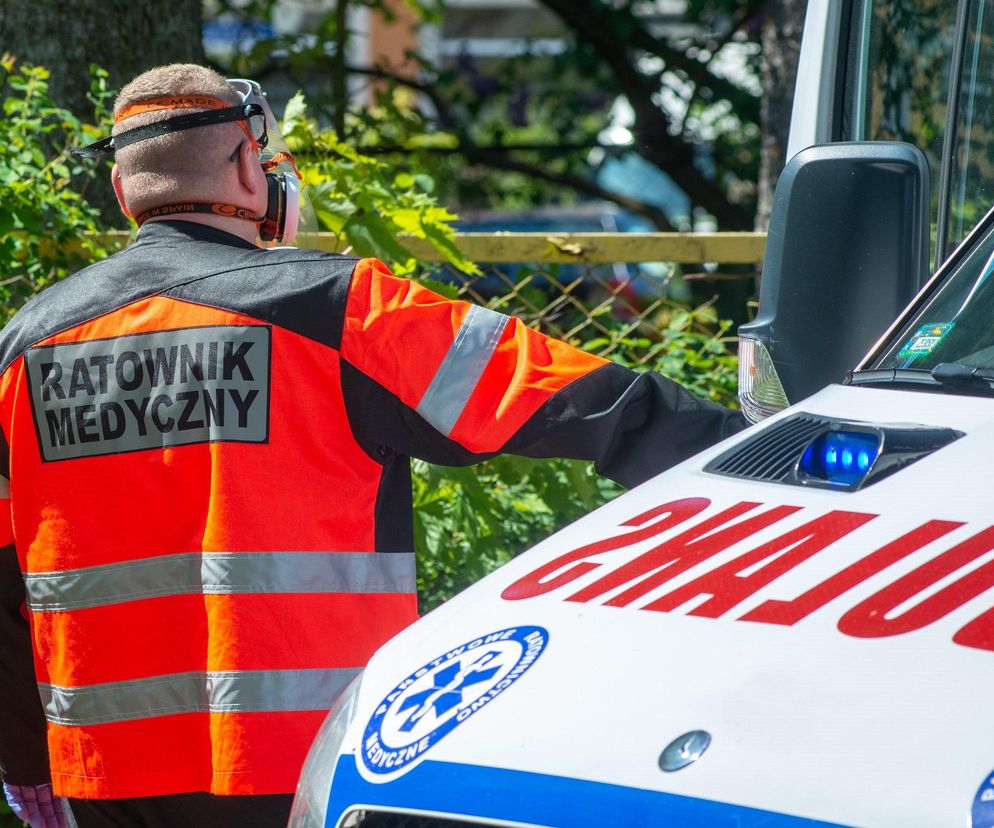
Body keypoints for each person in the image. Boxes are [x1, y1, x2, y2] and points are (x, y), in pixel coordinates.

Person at [0, 64, 747, 828]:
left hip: (105, 776)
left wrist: (25, 763)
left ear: (124, 196)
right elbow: (593, 403)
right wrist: (774, 457)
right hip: (315, 764)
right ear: (248, 168)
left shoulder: (23, 349)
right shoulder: (339, 307)